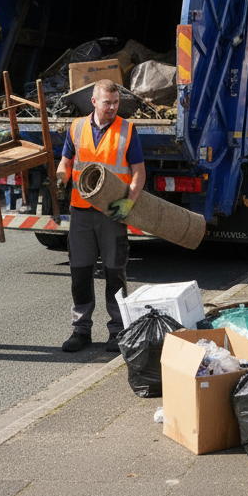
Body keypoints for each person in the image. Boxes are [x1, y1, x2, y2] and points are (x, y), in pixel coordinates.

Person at [55, 79, 145, 353]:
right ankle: (80, 330)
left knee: (114, 272)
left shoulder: (127, 130)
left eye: (116, 103)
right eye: (107, 103)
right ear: (94, 102)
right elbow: (67, 162)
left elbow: (138, 171)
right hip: (81, 212)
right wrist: (61, 179)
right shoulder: (77, 127)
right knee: (80, 273)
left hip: (112, 214)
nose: (112, 108)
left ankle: (118, 331)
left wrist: (128, 203)